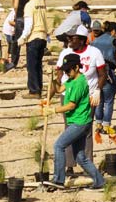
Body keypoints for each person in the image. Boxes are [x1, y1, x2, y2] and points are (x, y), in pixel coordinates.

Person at [44, 54, 105, 190]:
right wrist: (53, 78)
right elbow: (59, 89)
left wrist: (53, 110)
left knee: (59, 146)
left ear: (77, 67)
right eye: (65, 71)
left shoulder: (80, 83)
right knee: (80, 156)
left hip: (80, 122)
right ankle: (99, 181)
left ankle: (59, 180)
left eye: (68, 70)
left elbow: (71, 105)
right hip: (76, 121)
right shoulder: (71, 81)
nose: (66, 73)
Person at [51, 25, 105, 168]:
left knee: (86, 130)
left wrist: (98, 90)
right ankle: (69, 165)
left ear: (81, 40)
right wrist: (50, 96)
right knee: (69, 128)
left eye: (71, 38)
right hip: (67, 95)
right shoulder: (65, 53)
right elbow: (58, 76)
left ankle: (87, 164)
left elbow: (102, 74)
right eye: (68, 37)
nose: (68, 40)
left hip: (89, 97)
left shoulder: (95, 53)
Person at [90, 21, 116, 134]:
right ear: (113, 31)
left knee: (98, 100)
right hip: (108, 73)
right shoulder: (115, 42)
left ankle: (98, 124)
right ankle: (106, 126)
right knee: (108, 101)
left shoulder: (94, 41)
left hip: (95, 73)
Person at [18, 0, 49, 98]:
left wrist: (23, 37)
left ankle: (34, 91)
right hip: (43, 37)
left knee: (31, 66)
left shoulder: (29, 5)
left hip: (34, 37)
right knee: (38, 65)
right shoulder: (42, 3)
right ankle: (38, 89)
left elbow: (29, 24)